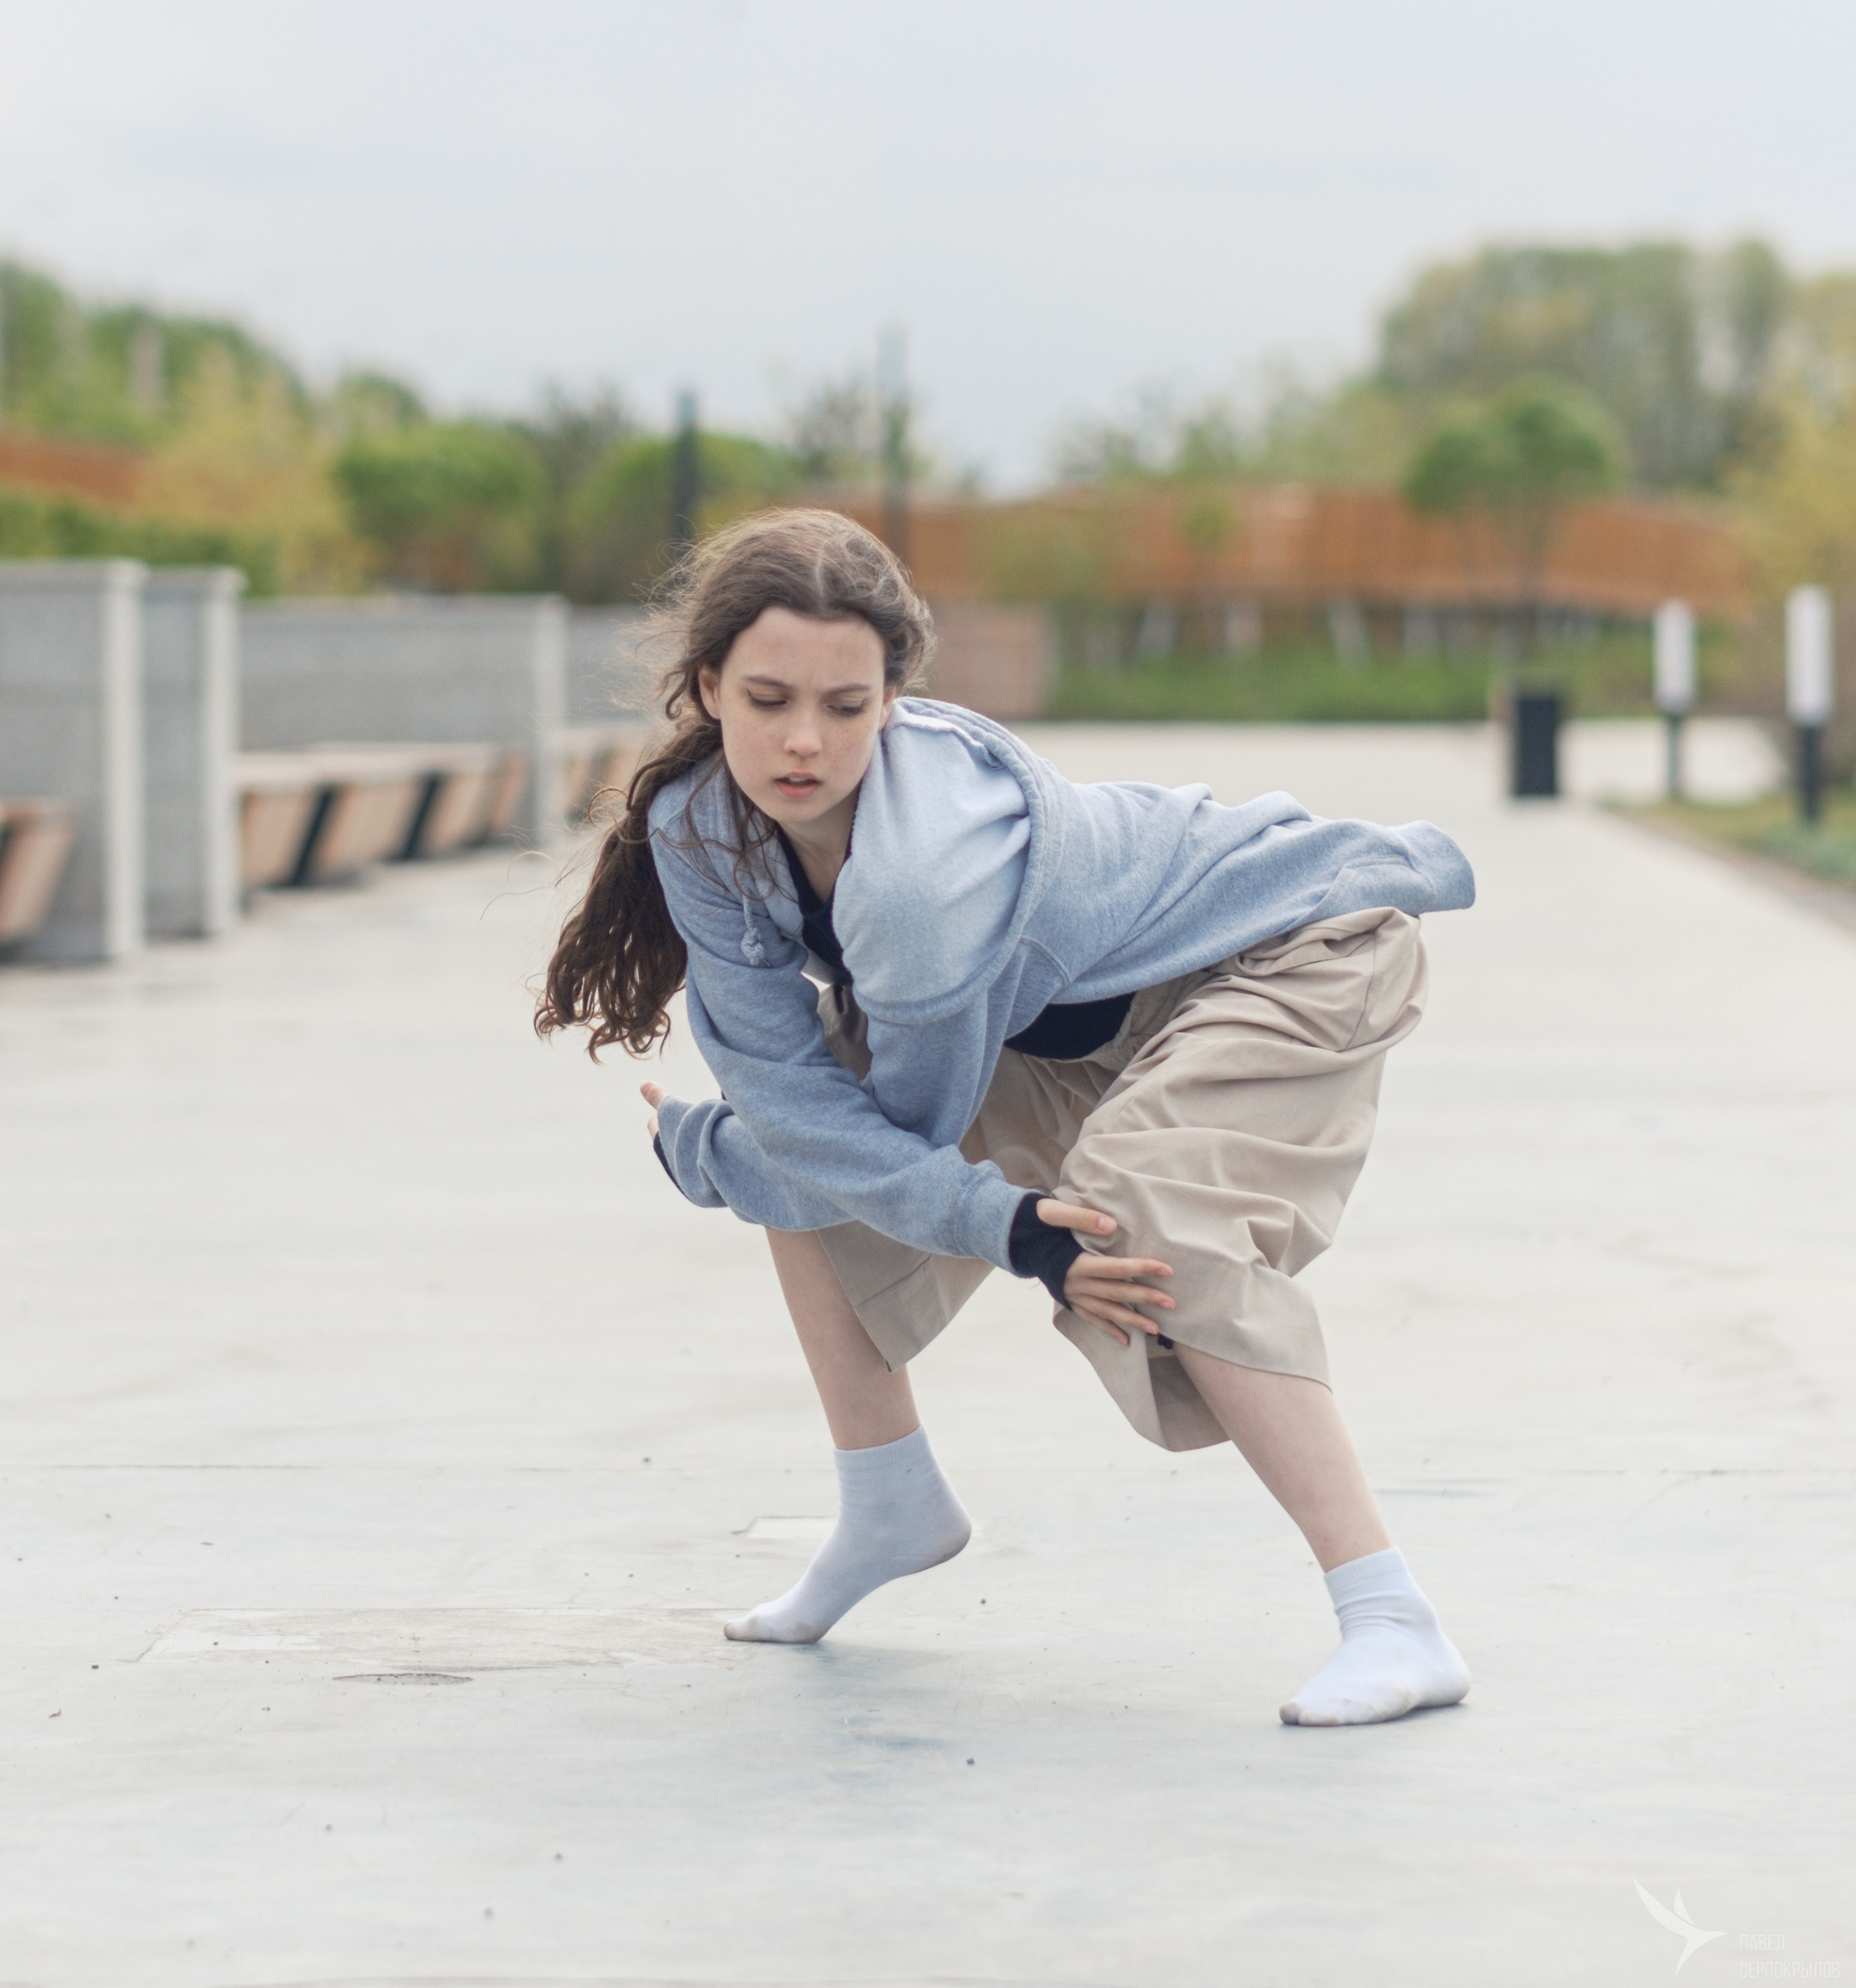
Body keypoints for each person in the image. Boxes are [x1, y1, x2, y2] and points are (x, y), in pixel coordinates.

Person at [539, 508, 1475, 1727]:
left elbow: (900, 1135)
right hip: (1067, 1023)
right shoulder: (699, 828)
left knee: (1143, 1216)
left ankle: (1395, 1619)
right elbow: (812, 1117)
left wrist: (735, 1158)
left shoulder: (919, 881)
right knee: (812, 1142)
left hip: (1287, 948)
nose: (804, 741)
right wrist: (752, 1148)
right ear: (708, 686)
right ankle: (890, 1500)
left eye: (845, 706)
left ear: (894, 702)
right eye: (768, 700)